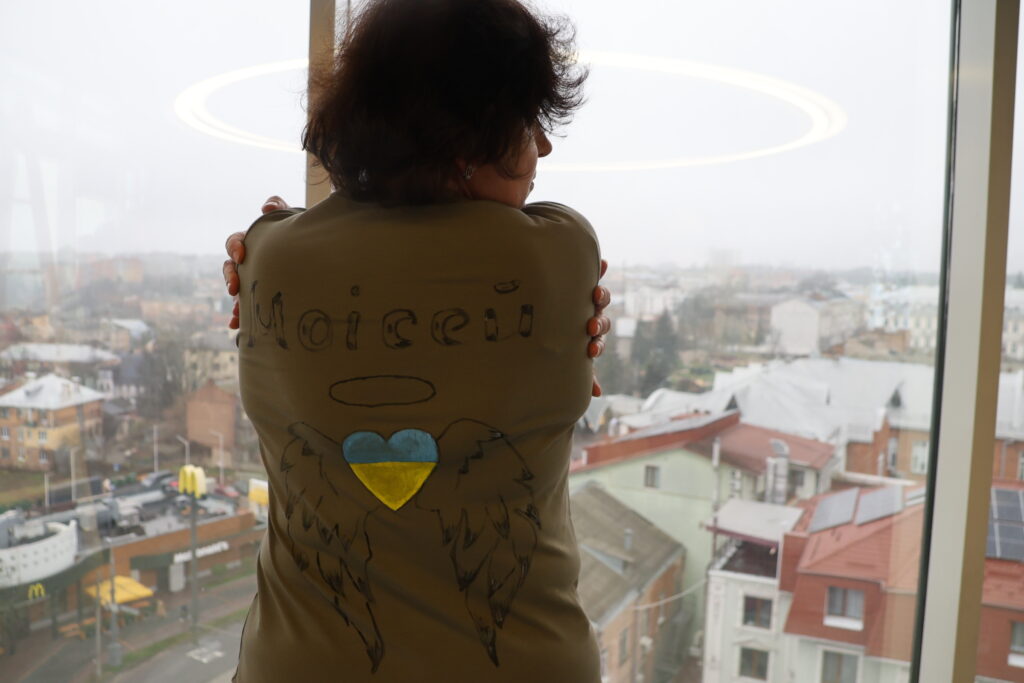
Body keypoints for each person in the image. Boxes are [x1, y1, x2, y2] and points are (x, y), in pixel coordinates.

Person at [224, 1, 610, 680]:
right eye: (529, 123)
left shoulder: (267, 258)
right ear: (468, 142)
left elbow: (326, 238)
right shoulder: (560, 250)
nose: (543, 148)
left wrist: (274, 235)